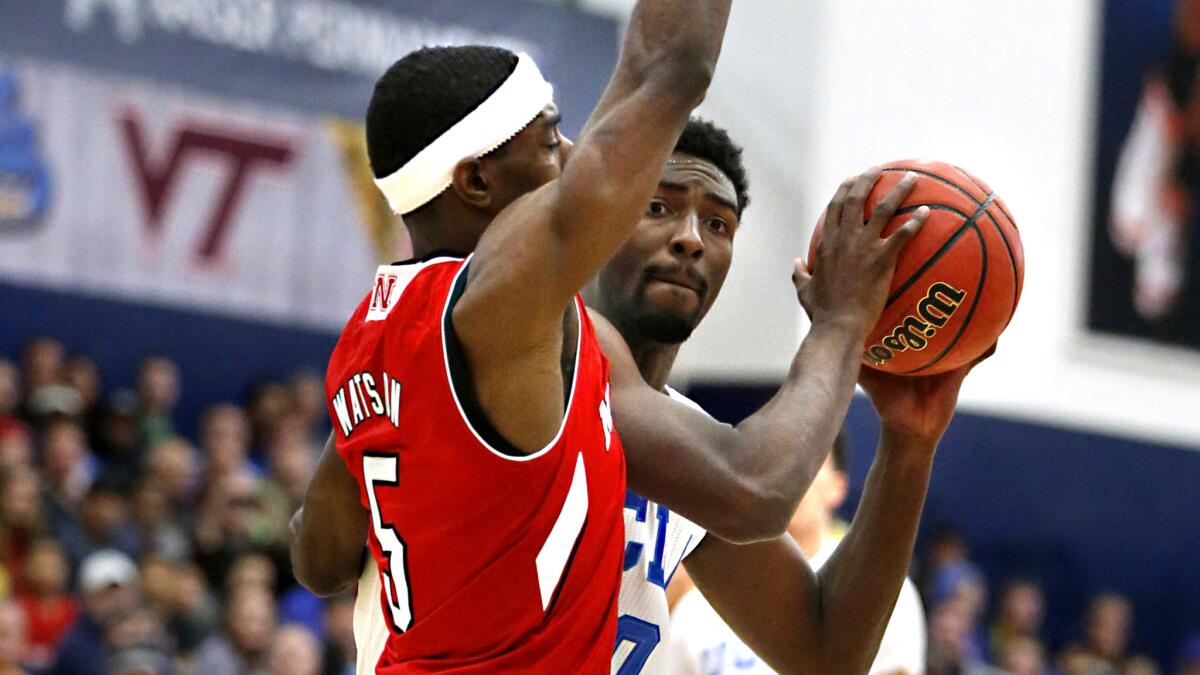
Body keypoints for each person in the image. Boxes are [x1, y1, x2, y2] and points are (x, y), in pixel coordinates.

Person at [291, 0, 734, 671]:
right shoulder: (503, 312)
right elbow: (671, 69)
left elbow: (317, 557)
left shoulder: (368, 338)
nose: (573, 154)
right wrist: (843, 322)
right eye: (551, 138)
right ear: (475, 180)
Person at [665, 434, 926, 674]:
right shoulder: (696, 603)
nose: (788, 477)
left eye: (808, 463)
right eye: (773, 463)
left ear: (837, 487)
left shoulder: (885, 590)